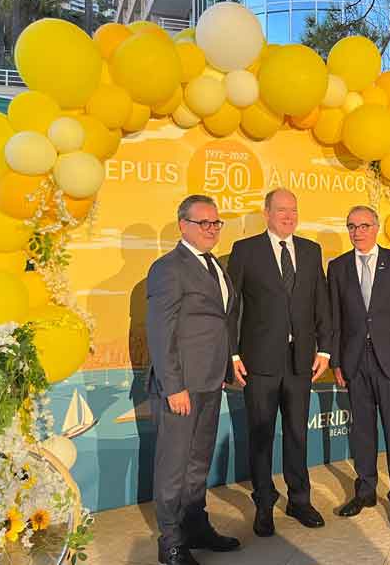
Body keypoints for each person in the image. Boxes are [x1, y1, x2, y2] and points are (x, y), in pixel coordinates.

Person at [227, 188, 332, 537]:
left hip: (301, 360)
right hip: (259, 361)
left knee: (297, 434)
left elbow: (321, 302)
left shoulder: (310, 250)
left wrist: (325, 350)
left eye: (293, 210)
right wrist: (233, 354)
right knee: (261, 435)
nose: (288, 216)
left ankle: (299, 499)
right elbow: (233, 307)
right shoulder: (245, 251)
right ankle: (263, 504)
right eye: (282, 210)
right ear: (266, 212)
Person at [146, 194, 241, 565]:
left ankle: (195, 526)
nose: (212, 229)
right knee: (174, 466)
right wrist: (174, 387)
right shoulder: (168, 268)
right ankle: (170, 541)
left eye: (216, 223)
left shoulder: (214, 264)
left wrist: (229, 364)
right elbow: (160, 331)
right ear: (182, 225)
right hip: (181, 387)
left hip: (210, 380)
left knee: (198, 461)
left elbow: (218, 320)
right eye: (204, 223)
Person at [327, 205, 390, 531]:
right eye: (352, 226)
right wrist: (338, 362)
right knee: (363, 432)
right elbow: (335, 319)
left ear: (376, 227)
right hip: (355, 362)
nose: (358, 232)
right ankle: (365, 491)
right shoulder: (337, 267)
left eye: (364, 225)